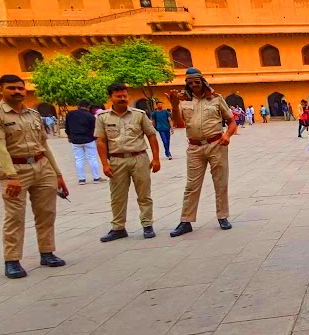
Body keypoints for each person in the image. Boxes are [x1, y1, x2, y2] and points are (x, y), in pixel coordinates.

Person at [0, 74, 68, 278]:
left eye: (20, 88)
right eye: (11, 88)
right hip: (15, 169)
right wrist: (11, 176)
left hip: (42, 165)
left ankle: (47, 252)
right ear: (1, 90)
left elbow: (44, 145)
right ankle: (12, 260)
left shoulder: (33, 114)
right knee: (14, 216)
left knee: (47, 212)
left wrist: (57, 173)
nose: (17, 91)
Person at [167, 67, 237, 237]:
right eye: (189, 83)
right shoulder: (183, 102)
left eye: (196, 81)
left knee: (220, 182)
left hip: (216, 144)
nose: (193, 85)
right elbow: (180, 124)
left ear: (202, 81)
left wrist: (227, 135)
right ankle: (186, 221)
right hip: (194, 147)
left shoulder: (216, 99)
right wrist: (175, 106)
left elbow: (232, 122)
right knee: (191, 185)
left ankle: (222, 216)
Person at [95, 83, 160, 242]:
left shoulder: (139, 114)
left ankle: (147, 225)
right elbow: (101, 141)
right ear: (111, 97)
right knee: (117, 196)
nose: (122, 98)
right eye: (118, 96)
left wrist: (156, 158)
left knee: (144, 194)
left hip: (139, 158)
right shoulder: (103, 118)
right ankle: (118, 228)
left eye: (125, 95)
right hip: (117, 160)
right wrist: (104, 163)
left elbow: (151, 136)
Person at [65, 100, 102, 183]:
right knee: (92, 158)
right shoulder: (90, 116)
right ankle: (96, 178)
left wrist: (69, 136)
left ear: (78, 106)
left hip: (75, 140)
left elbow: (67, 127)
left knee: (79, 159)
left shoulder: (70, 114)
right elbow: (95, 129)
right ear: (88, 107)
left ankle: (81, 179)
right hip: (89, 139)